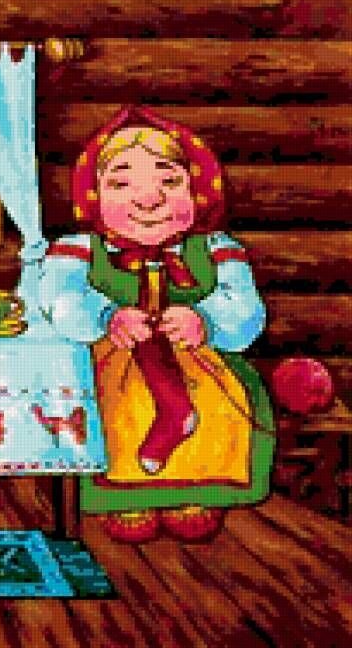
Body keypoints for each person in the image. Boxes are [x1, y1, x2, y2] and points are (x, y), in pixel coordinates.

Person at [37, 105, 275, 543]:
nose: (148, 199)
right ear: (94, 195)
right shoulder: (78, 249)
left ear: (197, 190)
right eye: (121, 183)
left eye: (169, 181)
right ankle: (125, 498)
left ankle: (196, 493)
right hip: (114, 353)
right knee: (119, 408)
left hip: (196, 356)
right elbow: (57, 299)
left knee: (218, 408)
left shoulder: (216, 249)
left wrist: (206, 318)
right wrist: (105, 315)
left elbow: (246, 309)